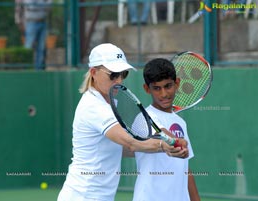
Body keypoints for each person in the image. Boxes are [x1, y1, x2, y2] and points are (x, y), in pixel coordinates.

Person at [57, 43, 188, 201]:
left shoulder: (111, 104)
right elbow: (131, 143)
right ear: (93, 72)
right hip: (82, 196)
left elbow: (124, 150)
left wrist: (169, 144)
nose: (118, 80)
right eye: (113, 75)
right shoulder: (93, 107)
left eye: (123, 74)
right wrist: (162, 145)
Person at [132, 58, 200, 201]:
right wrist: (176, 142)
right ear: (146, 88)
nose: (163, 94)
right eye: (157, 88)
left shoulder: (180, 122)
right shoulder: (144, 117)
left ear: (177, 84)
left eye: (168, 86)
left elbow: (185, 168)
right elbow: (162, 133)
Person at [15, 0, 52, 70]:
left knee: (41, 48)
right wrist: (19, 22)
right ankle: (26, 68)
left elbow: (49, 6)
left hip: (42, 21)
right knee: (28, 47)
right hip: (30, 22)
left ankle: (39, 70)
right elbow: (19, 7)